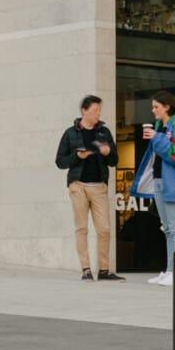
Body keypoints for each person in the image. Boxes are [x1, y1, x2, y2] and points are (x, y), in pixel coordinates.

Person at [131, 90, 175, 287]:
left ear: (167, 106)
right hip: (161, 181)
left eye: (156, 107)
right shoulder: (162, 125)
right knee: (168, 229)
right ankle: (170, 271)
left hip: (174, 183)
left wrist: (156, 138)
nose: (153, 110)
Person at [55, 94, 122, 281]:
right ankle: (85, 269)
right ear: (84, 111)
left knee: (105, 229)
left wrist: (108, 152)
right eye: (94, 110)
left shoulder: (104, 132)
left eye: (99, 110)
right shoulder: (70, 133)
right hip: (78, 185)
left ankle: (104, 270)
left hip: (99, 186)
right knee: (82, 228)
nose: (97, 114)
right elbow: (60, 161)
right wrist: (78, 157)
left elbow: (114, 161)